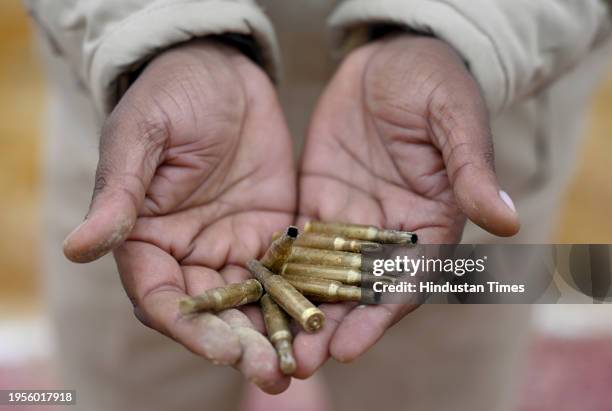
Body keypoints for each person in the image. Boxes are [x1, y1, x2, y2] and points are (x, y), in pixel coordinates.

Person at [24, 0, 611, 410]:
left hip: (457, 139)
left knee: (437, 385)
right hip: (154, 156)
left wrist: (459, 28)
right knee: (129, 382)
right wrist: (157, 32)